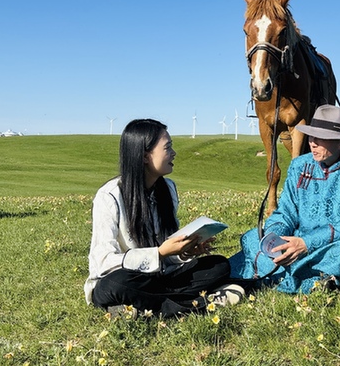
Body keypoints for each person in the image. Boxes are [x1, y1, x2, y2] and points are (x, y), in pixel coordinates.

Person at [85, 118, 243, 317]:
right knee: (115, 284)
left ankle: (141, 309)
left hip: (161, 278)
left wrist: (185, 251)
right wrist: (158, 253)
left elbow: (168, 255)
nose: (174, 153)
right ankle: (195, 305)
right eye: (167, 147)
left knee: (218, 265)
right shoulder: (109, 196)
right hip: (127, 279)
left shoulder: (168, 189)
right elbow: (103, 263)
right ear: (144, 156)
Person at [229, 105, 340, 293]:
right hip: (292, 241)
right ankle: (308, 278)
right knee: (253, 236)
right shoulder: (299, 165)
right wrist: (276, 238)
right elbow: (286, 211)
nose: (312, 143)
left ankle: (276, 277)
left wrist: (307, 244)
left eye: (320, 138)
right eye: (311, 136)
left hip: (328, 247)